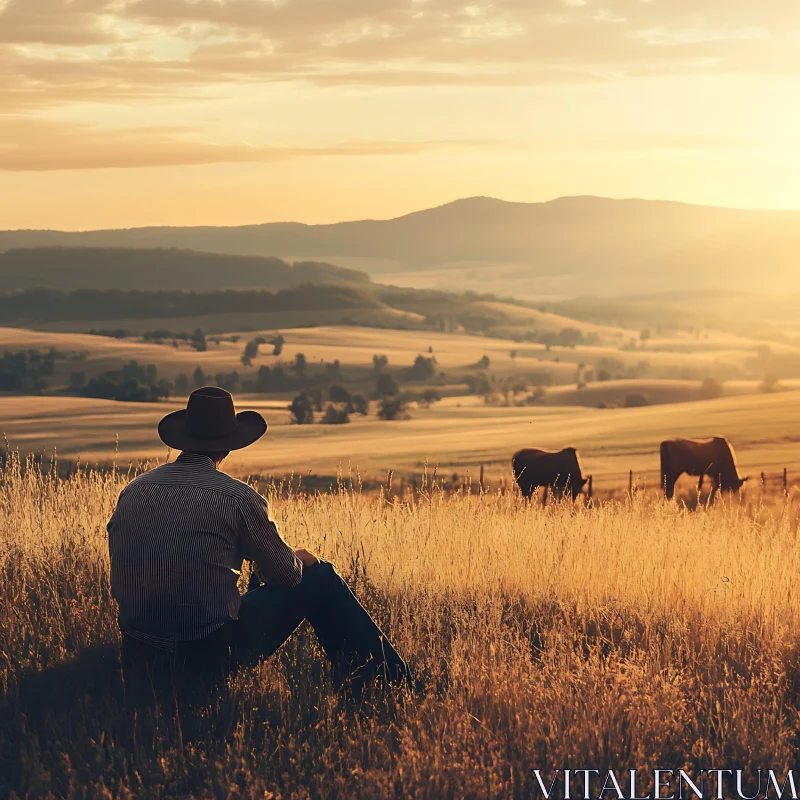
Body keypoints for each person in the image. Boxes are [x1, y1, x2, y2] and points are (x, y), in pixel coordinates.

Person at [107, 386, 410, 700]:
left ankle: (377, 682)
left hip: (139, 653)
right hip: (204, 656)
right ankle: (387, 684)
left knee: (256, 574)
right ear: (228, 447)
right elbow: (288, 577)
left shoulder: (135, 489)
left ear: (183, 440)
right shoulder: (237, 497)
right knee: (321, 578)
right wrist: (298, 559)